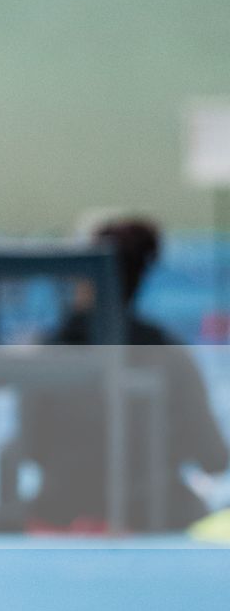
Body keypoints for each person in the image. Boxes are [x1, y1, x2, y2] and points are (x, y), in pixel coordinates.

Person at [18, 217, 228, 531]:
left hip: (59, 510)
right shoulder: (170, 356)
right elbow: (213, 458)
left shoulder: (45, 353)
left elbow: (29, 449)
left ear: (86, 277)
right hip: (155, 516)